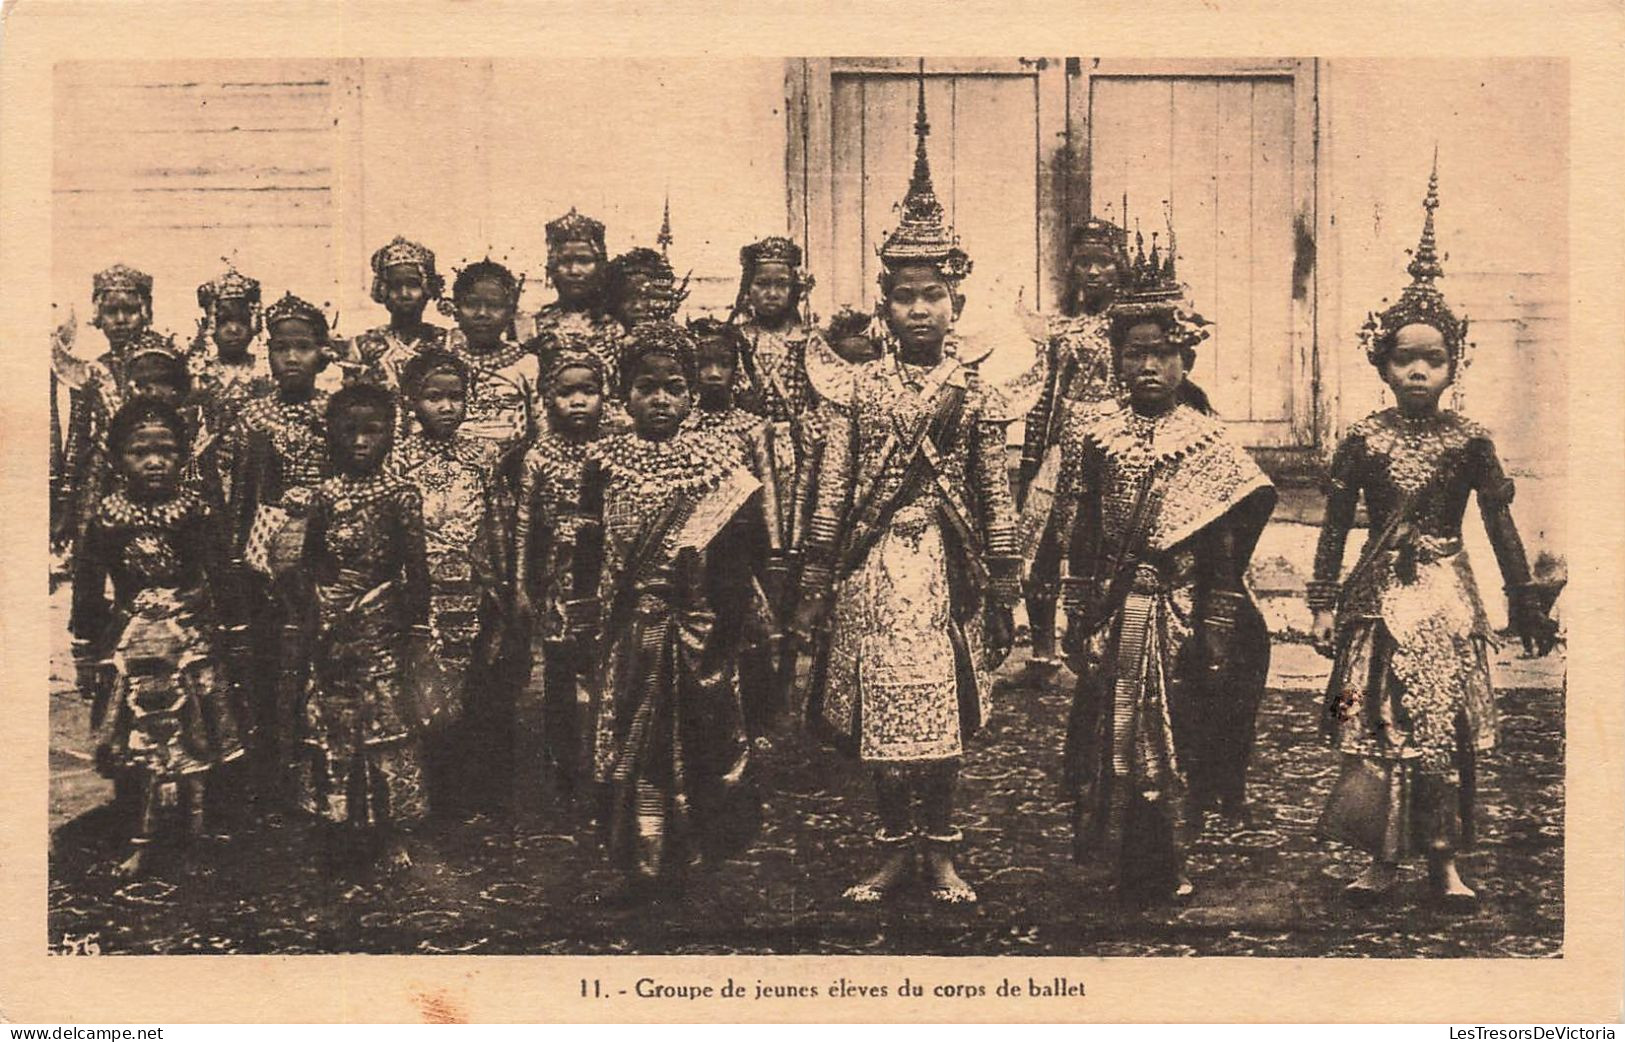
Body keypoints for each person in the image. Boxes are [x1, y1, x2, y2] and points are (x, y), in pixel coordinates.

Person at [792, 75, 1021, 906]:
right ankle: (892, 849)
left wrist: (1003, 580)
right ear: (882, 306)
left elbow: (995, 494)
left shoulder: (978, 392)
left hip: (948, 571)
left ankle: (945, 852)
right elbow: (831, 489)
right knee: (884, 715)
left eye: (934, 295)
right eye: (904, 296)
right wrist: (818, 578)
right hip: (873, 570)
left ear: (955, 299)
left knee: (945, 716)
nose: (919, 309)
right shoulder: (857, 390)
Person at [1308, 160, 1559, 911]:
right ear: (1380, 362)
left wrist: (1525, 603)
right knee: (1373, 721)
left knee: (1442, 730)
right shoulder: (1361, 438)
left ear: (1454, 364)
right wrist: (1322, 602)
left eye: (1432, 358)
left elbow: (1498, 522)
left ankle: (1443, 862)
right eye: (1402, 358)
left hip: (1448, 601)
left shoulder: (1469, 439)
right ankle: (1379, 860)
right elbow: (1332, 525)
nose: (1417, 371)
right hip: (1376, 603)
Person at [1054, 226, 1276, 905]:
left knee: (1174, 731)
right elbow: (1084, 528)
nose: (1147, 366)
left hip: (1179, 611)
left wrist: (1214, 626)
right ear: (1115, 358)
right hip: (1119, 610)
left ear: (1185, 360)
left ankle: (1171, 855)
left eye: (1162, 353)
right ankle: (1123, 855)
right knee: (1112, 727)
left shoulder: (1207, 443)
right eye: (1133, 353)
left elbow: (1223, 554)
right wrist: (1075, 605)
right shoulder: (1099, 437)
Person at [580, 320, 764, 901]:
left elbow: (737, 561)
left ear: (691, 394)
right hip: (629, 630)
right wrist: (586, 622)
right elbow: (587, 551)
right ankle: (643, 858)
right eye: (646, 386)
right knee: (638, 749)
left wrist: (726, 632)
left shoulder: (718, 467)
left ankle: (691, 853)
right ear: (624, 394)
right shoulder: (602, 464)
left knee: (694, 741)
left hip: (695, 631)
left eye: (674, 387)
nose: (661, 399)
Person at [70, 399, 246, 876]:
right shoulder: (108, 516)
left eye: (166, 451)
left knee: (195, 738)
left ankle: (197, 834)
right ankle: (138, 838)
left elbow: (221, 573)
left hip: (188, 643)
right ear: (116, 458)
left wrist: (231, 629)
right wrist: (87, 647)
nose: (154, 462)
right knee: (136, 743)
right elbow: (88, 584)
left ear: (184, 455)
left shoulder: (195, 511)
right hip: (131, 646)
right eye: (139, 452)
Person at [295, 383, 434, 871]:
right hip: (333, 627)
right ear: (331, 434)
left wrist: (416, 628)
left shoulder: (400, 494)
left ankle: (393, 832)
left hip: (381, 626)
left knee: (385, 728)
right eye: (348, 431)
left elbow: (416, 568)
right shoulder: (324, 495)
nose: (359, 443)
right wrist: (321, 601)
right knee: (337, 724)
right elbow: (311, 558)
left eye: (371, 432)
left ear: (391, 434)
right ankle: (339, 824)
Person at [228, 293, 335, 816]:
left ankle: (320, 772)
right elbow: (244, 492)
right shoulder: (254, 416)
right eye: (281, 348)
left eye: (304, 347)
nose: (292, 358)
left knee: (321, 658)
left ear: (323, 352)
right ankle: (270, 773)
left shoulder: (334, 412)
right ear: (267, 354)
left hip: (324, 548)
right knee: (270, 660)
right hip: (266, 550)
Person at [389, 350, 508, 820]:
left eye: (456, 397)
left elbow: (497, 522)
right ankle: (424, 795)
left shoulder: (483, 456)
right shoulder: (399, 458)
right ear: (411, 401)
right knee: (422, 688)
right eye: (433, 397)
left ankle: (467, 793)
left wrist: (499, 582)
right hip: (422, 589)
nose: (446, 407)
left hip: (473, 586)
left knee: (473, 687)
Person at [1016, 219, 1130, 674]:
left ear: (1119, 266)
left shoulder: (1126, 326)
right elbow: (1044, 392)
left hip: (1113, 443)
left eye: (1103, 261)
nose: (1094, 272)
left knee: (1102, 543)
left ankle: (1096, 640)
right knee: (1040, 543)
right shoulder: (1060, 329)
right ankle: (1043, 649)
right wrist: (1031, 456)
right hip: (1065, 445)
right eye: (1085, 263)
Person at [512, 341, 609, 815]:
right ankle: (562, 765)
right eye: (566, 392)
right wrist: (520, 585)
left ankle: (605, 762)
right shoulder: (539, 455)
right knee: (558, 671)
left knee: (603, 667)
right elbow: (524, 522)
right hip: (558, 578)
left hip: (605, 576)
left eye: (588, 391)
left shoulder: (616, 449)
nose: (577, 402)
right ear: (548, 397)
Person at [685, 317, 790, 740]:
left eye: (722, 364)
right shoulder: (683, 425)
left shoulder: (752, 427)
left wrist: (777, 551)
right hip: (694, 543)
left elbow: (767, 489)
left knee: (748, 628)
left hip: (742, 542)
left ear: (736, 369)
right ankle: (702, 716)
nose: (713, 374)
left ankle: (754, 718)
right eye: (704, 364)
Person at [53, 264, 159, 555]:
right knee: (95, 553)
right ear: (99, 316)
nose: (121, 320)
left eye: (130, 311)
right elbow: (77, 437)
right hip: (100, 475)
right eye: (112, 312)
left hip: (149, 467)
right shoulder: (93, 371)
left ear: (145, 312)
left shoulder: (159, 366)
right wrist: (67, 496)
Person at [440, 259, 541, 485]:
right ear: (455, 309)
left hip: (513, 474)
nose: (482, 314)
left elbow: (542, 427)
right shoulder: (443, 364)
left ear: (511, 311)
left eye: (494, 305)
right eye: (472, 304)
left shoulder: (528, 365)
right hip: (452, 476)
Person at [188, 265, 273, 503]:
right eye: (225, 322)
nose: (234, 330)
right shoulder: (200, 372)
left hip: (258, 464)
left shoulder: (265, 370)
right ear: (211, 326)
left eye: (242, 321)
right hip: (210, 463)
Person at [343, 237, 448, 395]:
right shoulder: (362, 347)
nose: (404, 294)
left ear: (428, 289)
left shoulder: (446, 343)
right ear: (382, 290)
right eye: (395, 286)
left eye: (413, 285)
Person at [517, 208, 619, 348]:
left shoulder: (618, 325)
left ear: (600, 266)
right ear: (552, 267)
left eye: (584, 261)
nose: (574, 271)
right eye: (565, 261)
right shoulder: (532, 326)